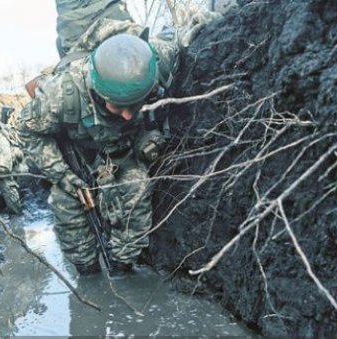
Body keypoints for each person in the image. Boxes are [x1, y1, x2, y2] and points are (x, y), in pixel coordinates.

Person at [18, 7, 219, 275]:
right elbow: (28, 130)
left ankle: (123, 266)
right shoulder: (62, 95)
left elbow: (183, 36)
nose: (127, 115)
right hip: (80, 154)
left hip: (123, 153)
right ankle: (87, 271)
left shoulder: (155, 60)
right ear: (96, 91)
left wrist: (204, 21)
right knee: (66, 201)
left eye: (134, 105)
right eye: (117, 106)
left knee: (136, 185)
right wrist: (64, 176)